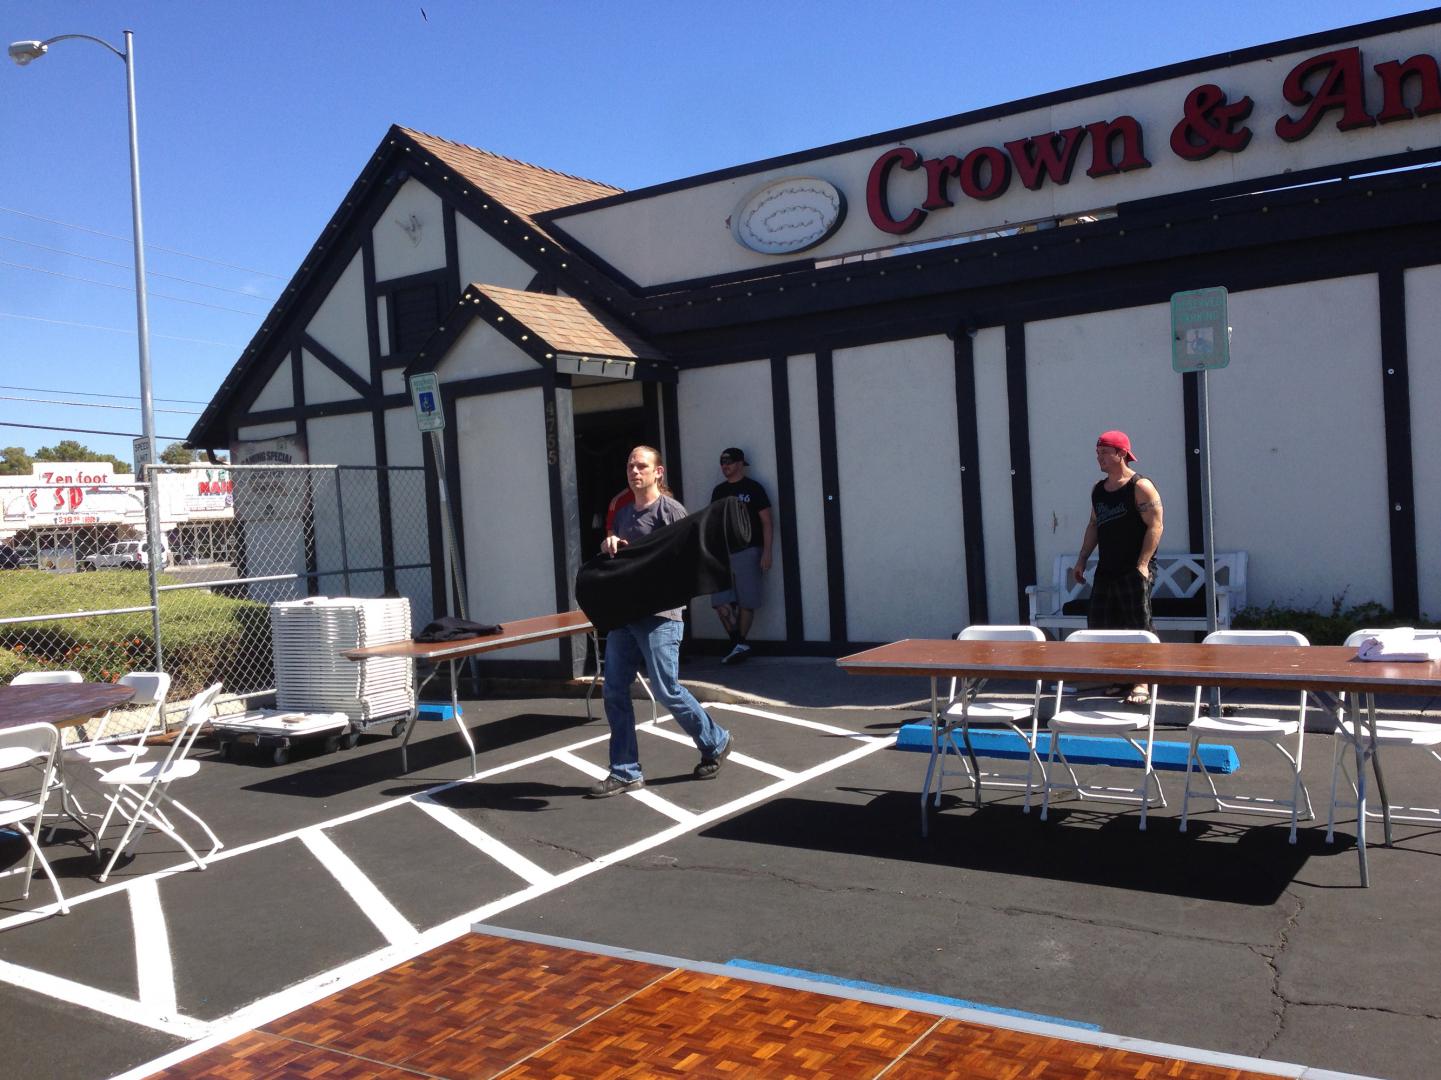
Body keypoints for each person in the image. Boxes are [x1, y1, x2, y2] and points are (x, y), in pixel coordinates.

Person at [590, 445, 733, 797]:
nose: (634, 471)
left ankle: (715, 741)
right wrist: (610, 546)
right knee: (614, 689)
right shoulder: (624, 514)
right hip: (626, 615)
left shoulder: (670, 511)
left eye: (642, 466)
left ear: (658, 472)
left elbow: (686, 562)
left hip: (660, 617)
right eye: (630, 466)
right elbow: (623, 564)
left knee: (667, 689)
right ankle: (625, 771)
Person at [1071, 430, 1164, 705]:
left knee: (1138, 625)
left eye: (1104, 452)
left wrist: (1143, 564)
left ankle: (1142, 681)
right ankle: (1120, 677)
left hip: (1133, 569)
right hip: (1107, 568)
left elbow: (1155, 526)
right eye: (1098, 453)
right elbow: (1094, 525)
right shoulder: (1099, 490)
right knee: (1103, 624)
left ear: (1121, 454)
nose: (1099, 458)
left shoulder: (1140, 486)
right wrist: (1082, 559)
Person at [708, 447, 772, 664]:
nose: (725, 466)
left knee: (747, 600)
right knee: (720, 602)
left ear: (740, 464)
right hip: (722, 553)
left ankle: (740, 643)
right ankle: (738, 643)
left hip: (749, 550)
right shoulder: (719, 491)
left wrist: (767, 552)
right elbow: (712, 522)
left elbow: (767, 522)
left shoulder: (753, 488)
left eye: (729, 462)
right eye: (722, 462)